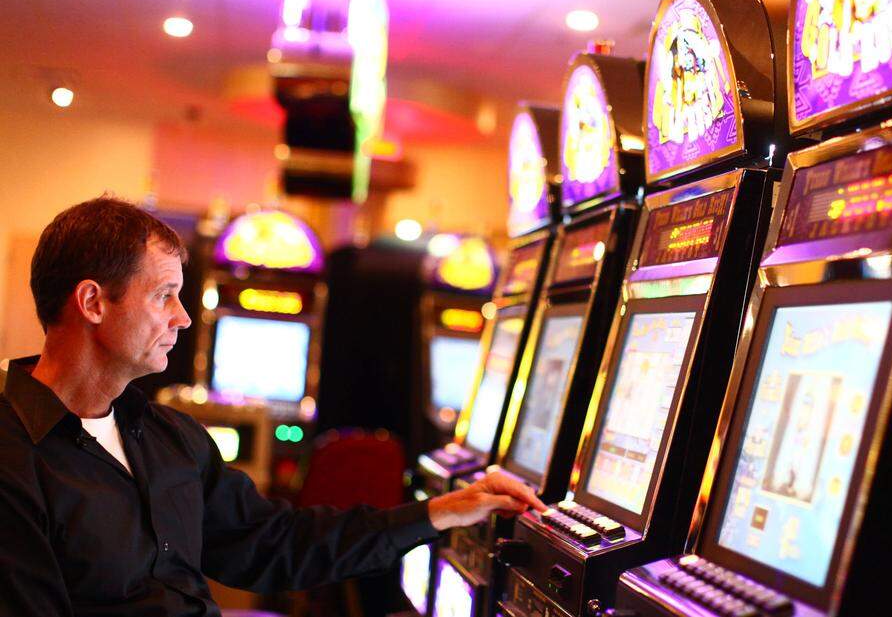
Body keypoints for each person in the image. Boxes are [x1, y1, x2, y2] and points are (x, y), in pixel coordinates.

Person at [0, 197, 546, 617]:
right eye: (164, 295)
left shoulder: (169, 437)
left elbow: (275, 542)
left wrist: (442, 511)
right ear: (94, 302)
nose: (184, 318)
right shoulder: (13, 458)